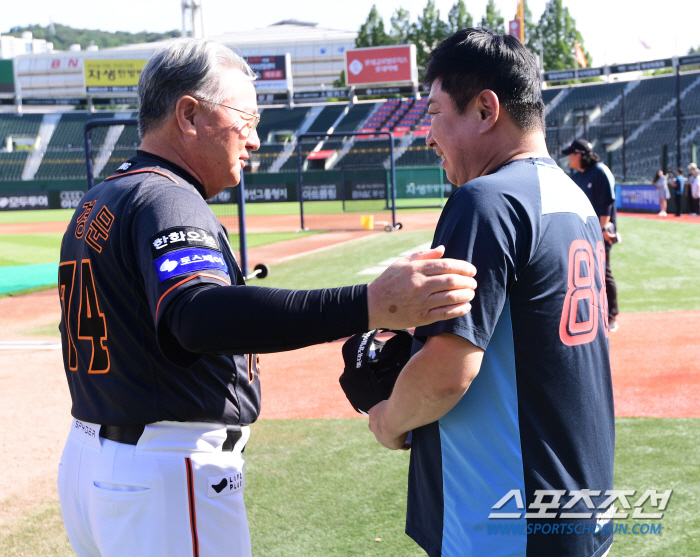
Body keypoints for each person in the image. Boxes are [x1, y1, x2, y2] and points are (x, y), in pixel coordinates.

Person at [56, 38, 477, 557]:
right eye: (245, 119)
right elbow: (198, 316)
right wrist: (368, 303)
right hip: (164, 470)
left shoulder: (105, 194)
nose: (254, 140)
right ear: (188, 114)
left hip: (97, 459)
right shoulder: (167, 197)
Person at [368, 29, 615, 557]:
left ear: (485, 109)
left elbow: (446, 371)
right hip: (575, 509)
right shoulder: (570, 197)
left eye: (434, 113)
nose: (427, 135)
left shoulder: (486, 200)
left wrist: (387, 420)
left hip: (504, 524)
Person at [563, 138, 620, 332]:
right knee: (583, 276)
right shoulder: (576, 176)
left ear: (579, 155)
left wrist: (602, 230)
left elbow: (607, 204)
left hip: (598, 235)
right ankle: (593, 313)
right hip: (581, 234)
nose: (568, 159)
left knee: (604, 273)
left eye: (570, 154)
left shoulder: (600, 172)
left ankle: (612, 315)